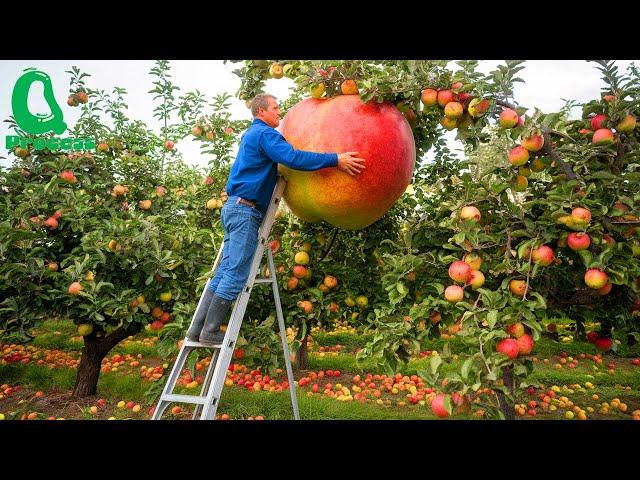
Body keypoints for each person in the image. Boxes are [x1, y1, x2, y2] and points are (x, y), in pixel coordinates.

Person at [186, 93, 366, 344]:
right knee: (236, 273)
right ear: (261, 111)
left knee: (225, 270)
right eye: (275, 107)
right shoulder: (264, 134)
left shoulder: (251, 135)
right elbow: (292, 157)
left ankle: (197, 330)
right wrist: (336, 159)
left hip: (234, 208)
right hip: (244, 211)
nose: (279, 111)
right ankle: (210, 331)